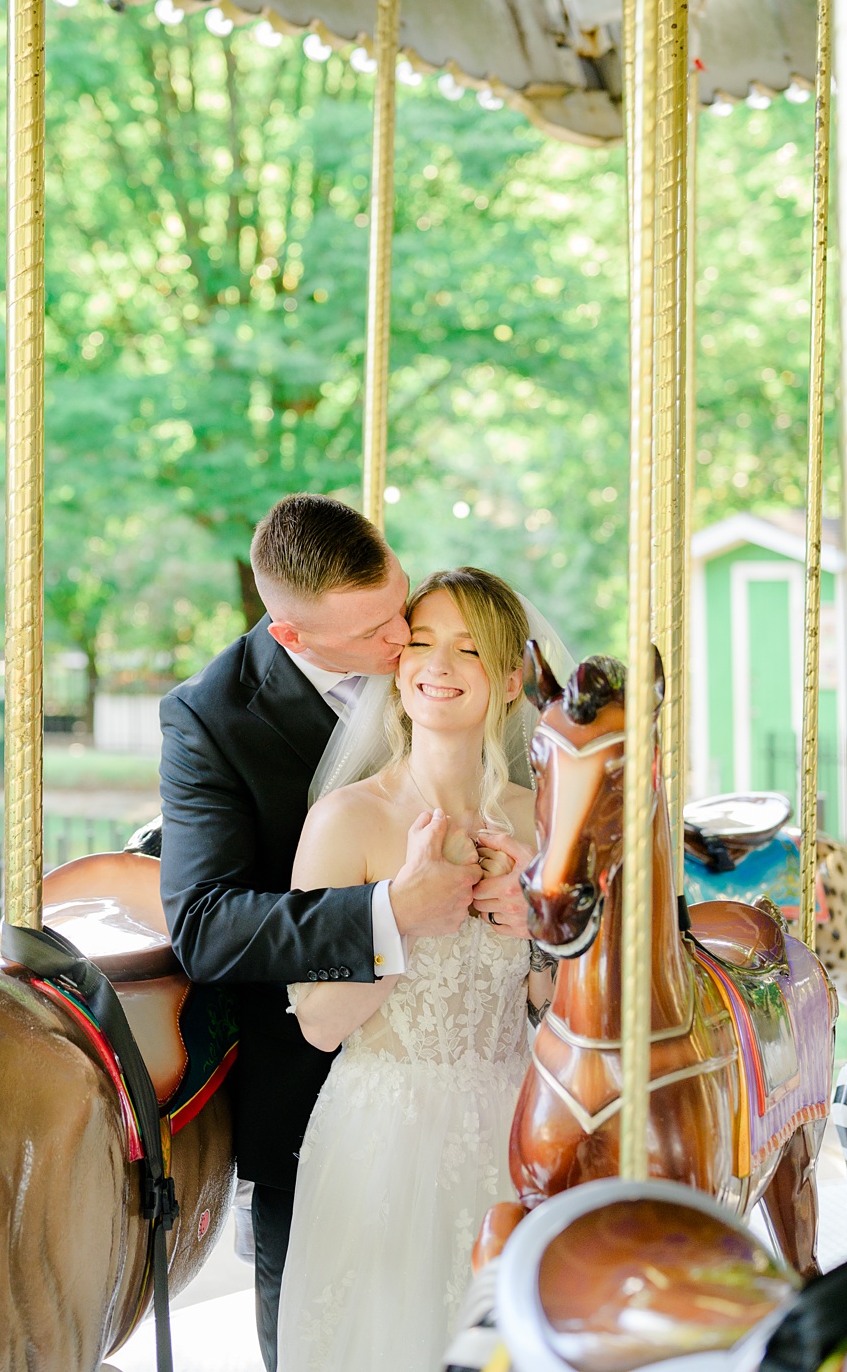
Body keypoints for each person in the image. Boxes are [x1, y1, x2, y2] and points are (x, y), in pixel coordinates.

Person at [159, 496, 528, 1370]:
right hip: (341, 1105)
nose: (406, 639)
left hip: (503, 1112)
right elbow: (206, 925)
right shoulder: (214, 718)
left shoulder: (443, 642)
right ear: (294, 636)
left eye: (400, 599)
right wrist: (389, 914)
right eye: (377, 631)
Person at [273, 568, 549, 1371]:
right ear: (396, 669)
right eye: (420, 642)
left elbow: (556, 1003)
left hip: (512, 1124)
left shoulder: (538, 821)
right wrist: (398, 916)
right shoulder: (348, 818)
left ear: (506, 681)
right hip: (382, 1133)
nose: (438, 663)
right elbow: (320, 1025)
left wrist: (538, 931)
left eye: (469, 649)